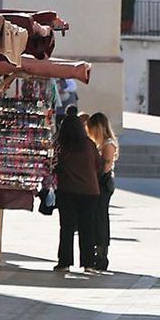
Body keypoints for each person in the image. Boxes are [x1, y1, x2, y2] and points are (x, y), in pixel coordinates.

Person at [53, 106, 101, 275]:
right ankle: (88, 263)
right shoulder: (89, 144)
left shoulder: (60, 145)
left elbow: (54, 165)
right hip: (89, 190)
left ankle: (64, 262)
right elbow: (97, 165)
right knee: (87, 227)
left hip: (66, 189)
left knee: (66, 227)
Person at [85, 114, 118, 271]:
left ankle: (101, 253)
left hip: (103, 185)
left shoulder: (107, 144)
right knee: (95, 218)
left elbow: (105, 168)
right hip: (97, 183)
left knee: (100, 218)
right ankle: (96, 251)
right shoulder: (100, 144)